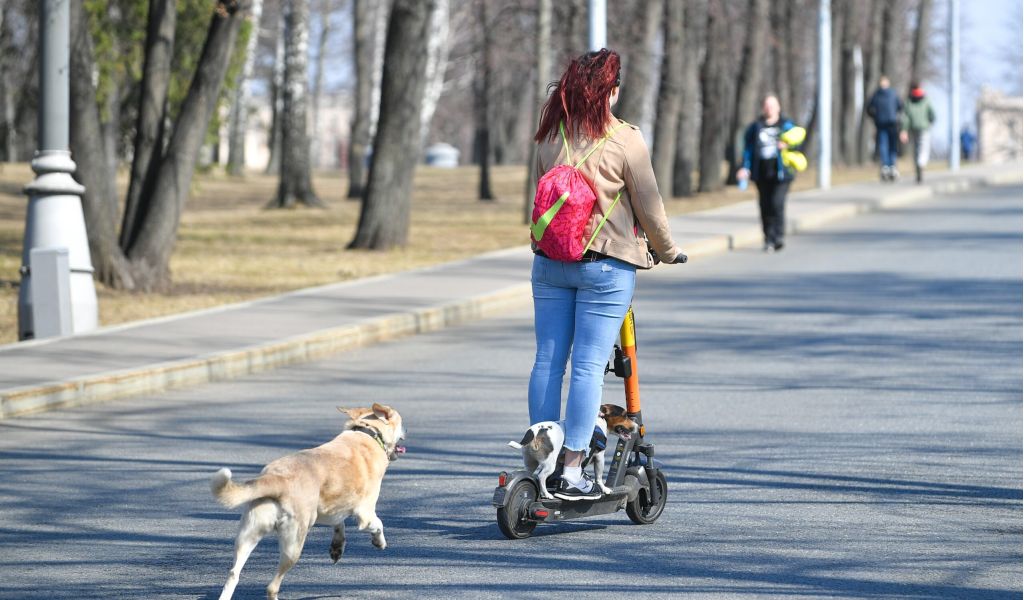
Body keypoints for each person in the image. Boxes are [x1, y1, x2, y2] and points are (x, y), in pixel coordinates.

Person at [529, 49, 685, 501]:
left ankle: (542, 457)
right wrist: (668, 251)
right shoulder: (624, 139)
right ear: (610, 92)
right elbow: (648, 205)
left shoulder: (549, 136)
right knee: (589, 367)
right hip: (605, 266)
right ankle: (573, 468)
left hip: (550, 263)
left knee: (547, 361)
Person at [736, 95, 803, 253]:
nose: (769, 108)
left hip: (781, 172)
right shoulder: (755, 127)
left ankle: (778, 236)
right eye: (766, 105)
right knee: (765, 205)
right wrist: (745, 167)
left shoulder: (786, 125)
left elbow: (798, 140)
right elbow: (748, 150)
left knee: (777, 203)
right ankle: (768, 239)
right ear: (763, 108)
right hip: (762, 171)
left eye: (772, 105)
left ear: (778, 107)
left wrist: (786, 144)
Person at [866, 76, 904, 181]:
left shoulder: (876, 94)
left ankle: (885, 166)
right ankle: (892, 166)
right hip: (892, 123)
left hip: (881, 123)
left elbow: (868, 108)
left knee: (883, 145)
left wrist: (874, 117)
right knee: (892, 145)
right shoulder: (893, 93)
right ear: (888, 84)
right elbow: (901, 106)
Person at [899, 82, 936, 183]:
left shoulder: (909, 101)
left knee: (916, 149)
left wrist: (904, 130)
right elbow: (932, 114)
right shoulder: (926, 99)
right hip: (924, 127)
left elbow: (905, 118)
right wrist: (930, 121)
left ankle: (917, 167)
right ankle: (921, 163)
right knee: (924, 147)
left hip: (913, 128)